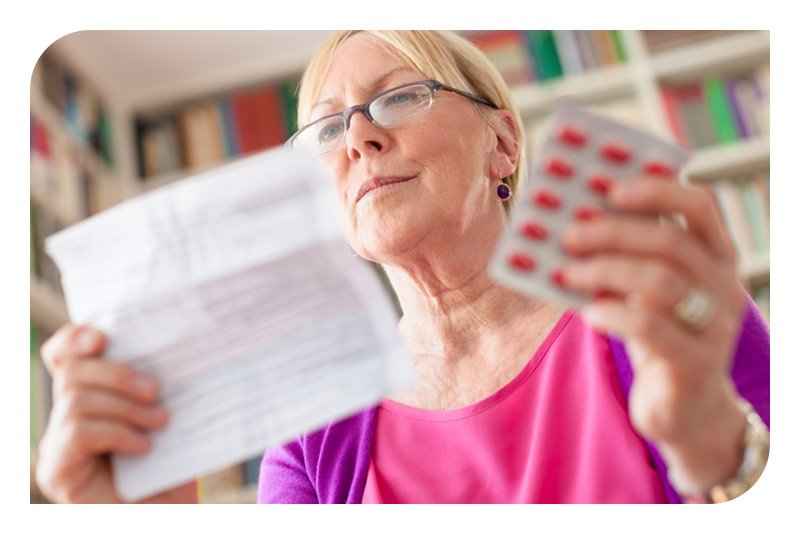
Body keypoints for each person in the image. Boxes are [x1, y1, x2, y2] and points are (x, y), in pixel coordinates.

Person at [35, 30, 769, 504]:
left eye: (398, 97)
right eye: (327, 127)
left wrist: (715, 451)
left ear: (503, 144)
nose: (358, 138)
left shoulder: (660, 319)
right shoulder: (313, 424)